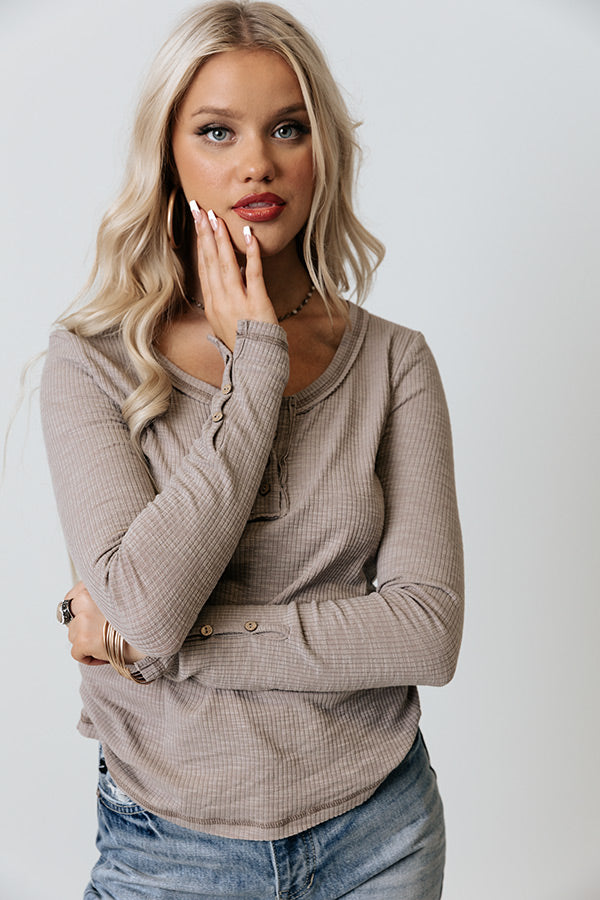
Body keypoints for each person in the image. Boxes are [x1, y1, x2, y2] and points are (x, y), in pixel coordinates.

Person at [42, 2, 464, 897]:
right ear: (168, 155)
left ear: (323, 151)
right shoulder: (92, 362)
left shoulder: (394, 362)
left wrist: (140, 645)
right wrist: (258, 363)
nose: (256, 163)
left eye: (287, 128)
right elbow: (149, 606)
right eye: (216, 131)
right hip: (169, 852)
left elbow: (426, 632)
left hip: (380, 836)